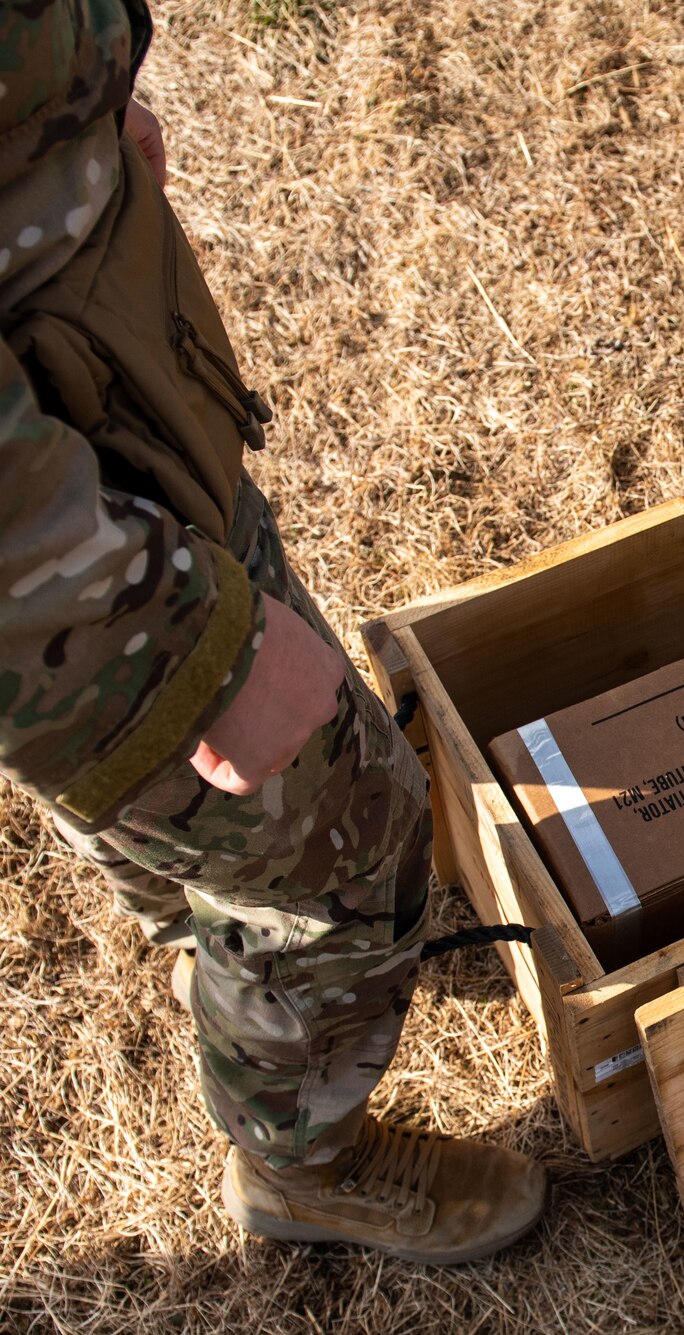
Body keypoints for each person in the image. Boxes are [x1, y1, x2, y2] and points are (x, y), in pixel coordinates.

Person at [1, 0, 544, 1261]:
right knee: (341, 833)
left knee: (168, 795)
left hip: (92, 386)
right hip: (53, 556)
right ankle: (303, 1163)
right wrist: (182, 650)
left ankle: (213, 938)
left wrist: (71, 116)